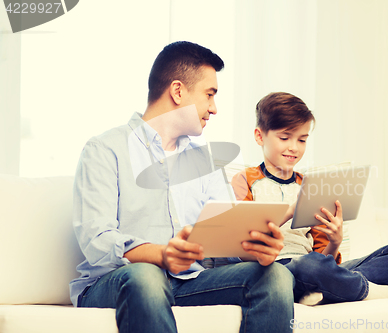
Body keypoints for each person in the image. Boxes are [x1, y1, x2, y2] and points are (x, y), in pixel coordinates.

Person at [70, 42, 294, 333]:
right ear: (178, 92)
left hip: (188, 282)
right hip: (118, 281)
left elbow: (224, 240)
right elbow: (96, 239)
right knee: (147, 277)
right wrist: (162, 255)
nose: (214, 109)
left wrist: (254, 249)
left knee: (274, 275)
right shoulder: (105, 149)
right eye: (209, 95)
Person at [231, 92, 388, 305]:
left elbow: (326, 260)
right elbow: (244, 243)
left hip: (319, 269)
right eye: (285, 138)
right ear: (260, 136)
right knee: (309, 266)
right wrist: (289, 211)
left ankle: (325, 292)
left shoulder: (310, 185)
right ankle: (379, 292)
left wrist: (335, 241)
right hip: (278, 271)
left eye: (302, 139)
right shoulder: (244, 180)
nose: (294, 147)